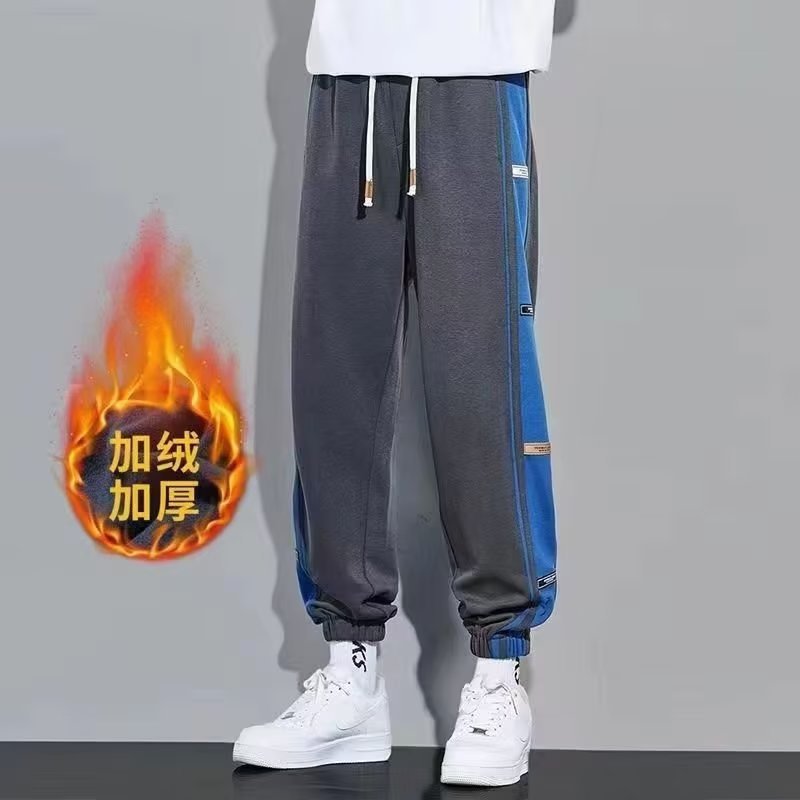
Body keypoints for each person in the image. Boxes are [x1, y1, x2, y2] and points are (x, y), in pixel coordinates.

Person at [235, 0, 558, 787]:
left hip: (476, 75)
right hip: (351, 70)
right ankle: (350, 672)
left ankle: (500, 671)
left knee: (482, 381)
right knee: (334, 381)